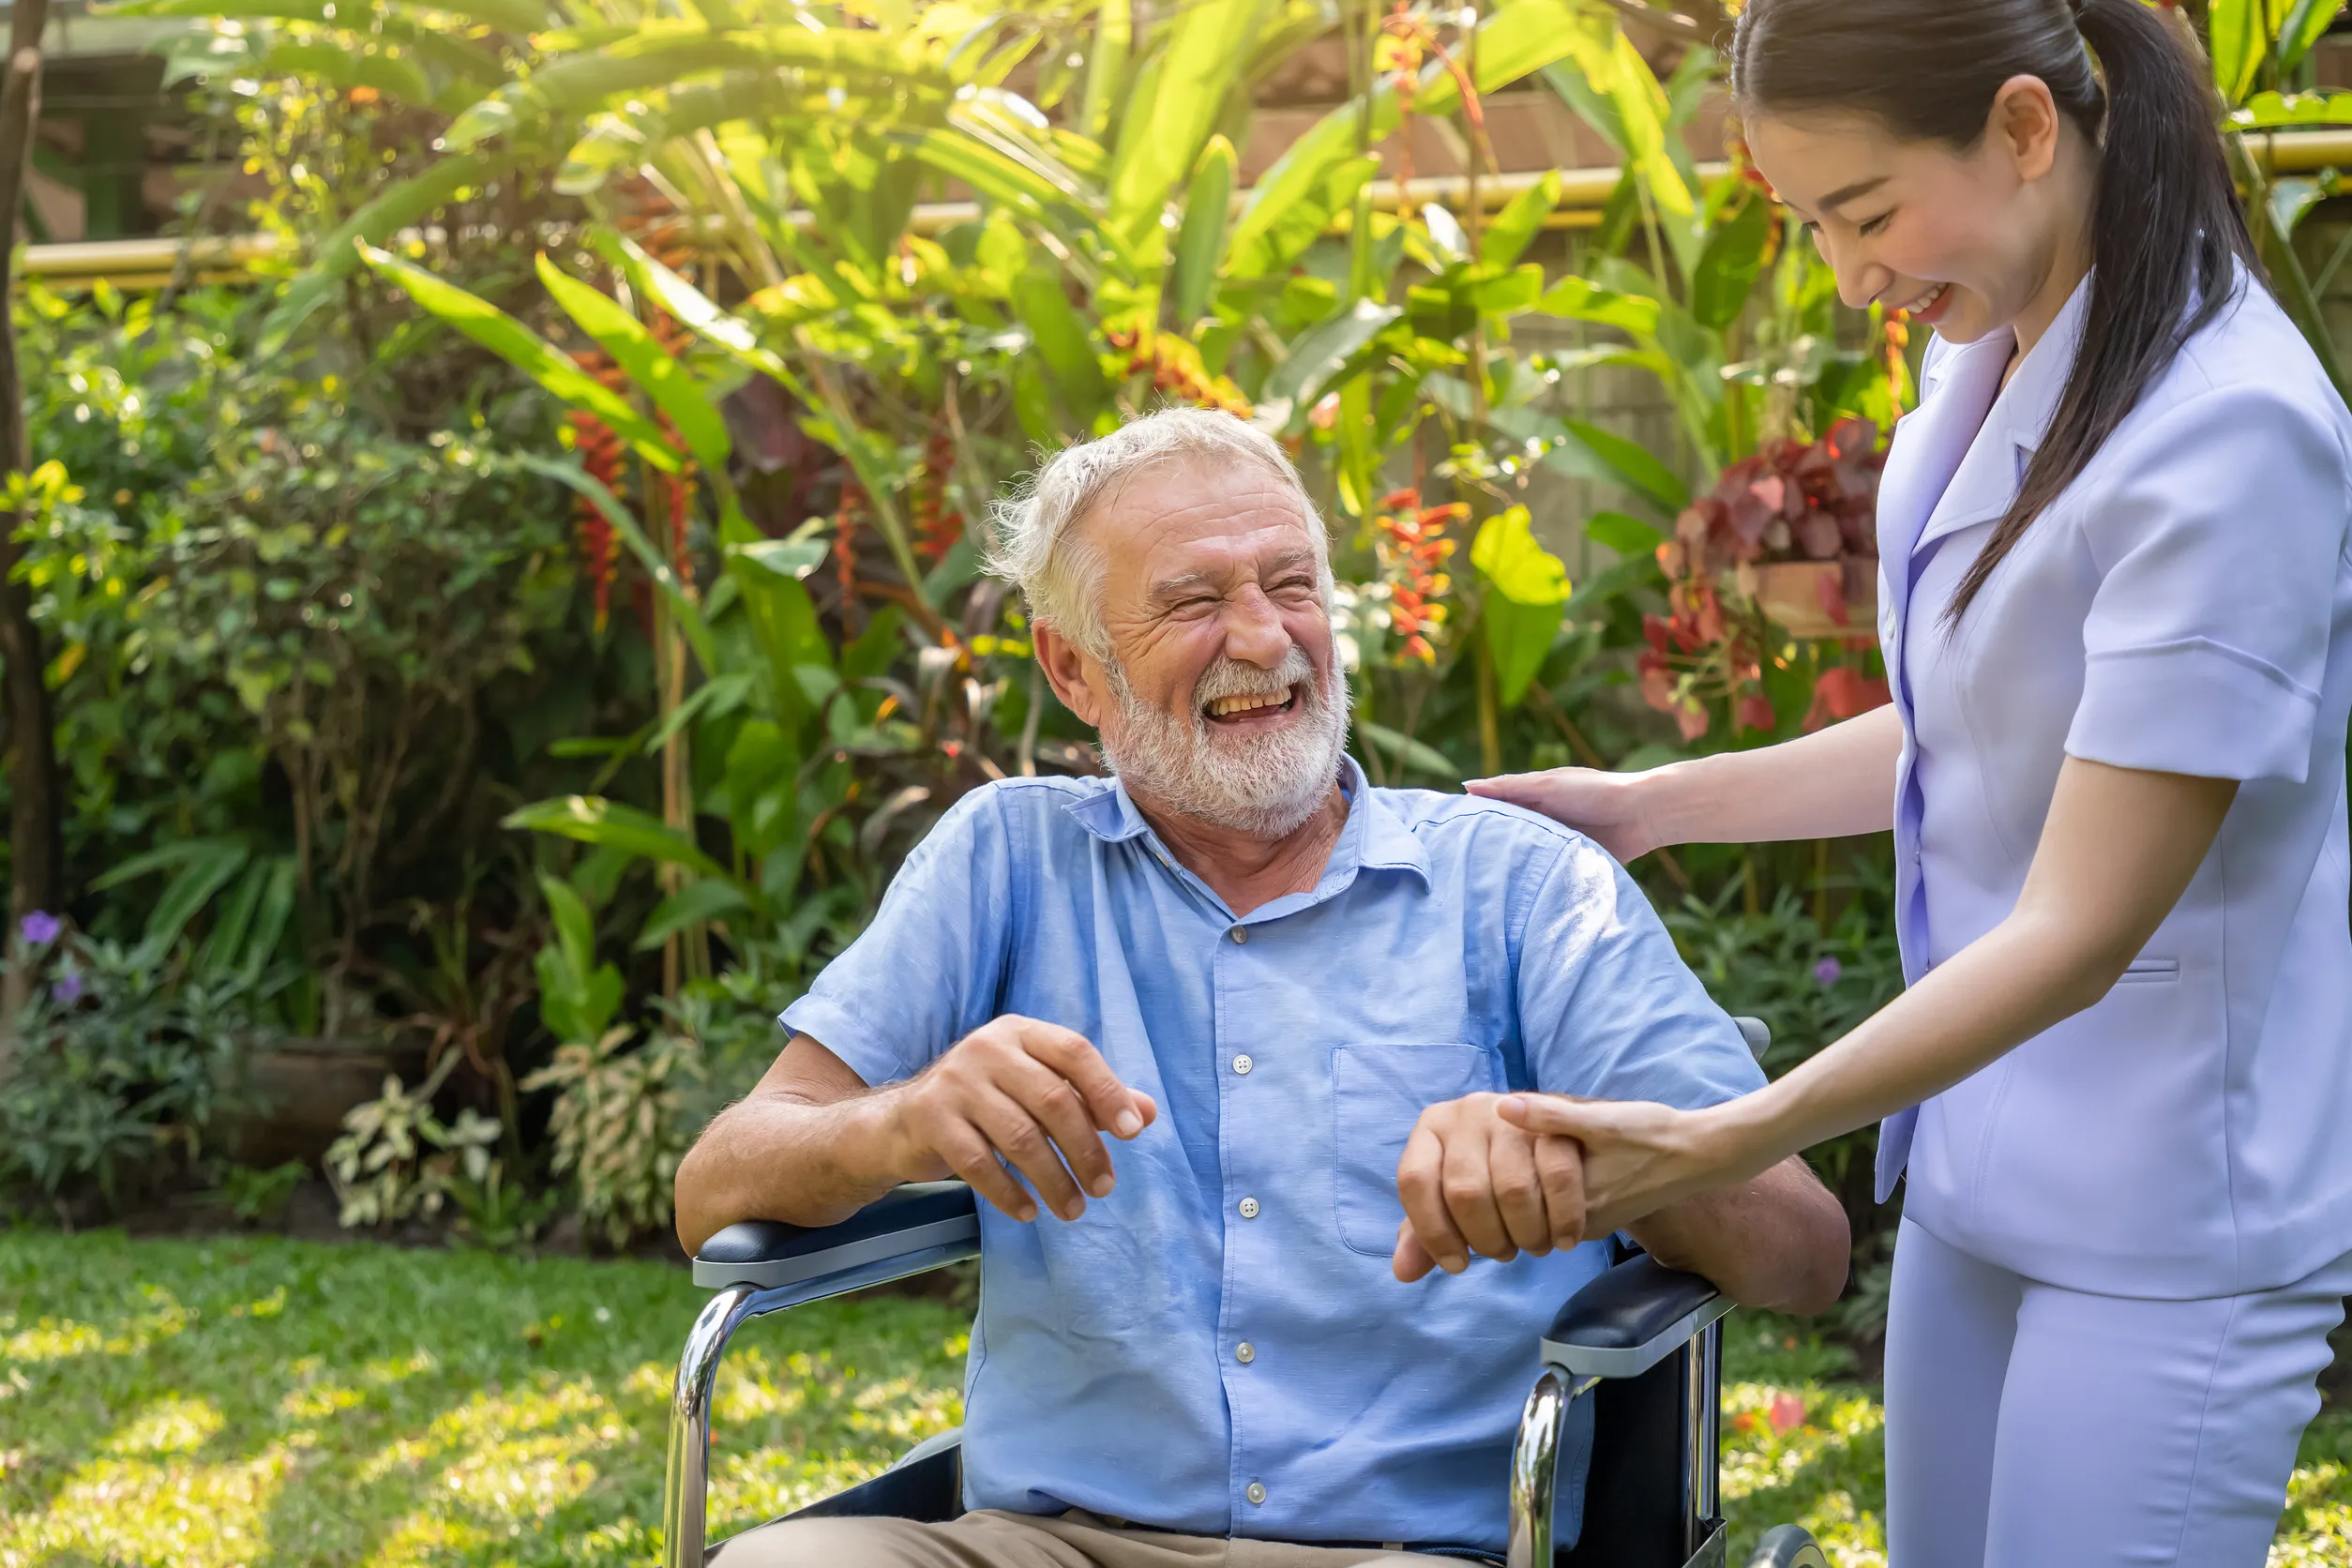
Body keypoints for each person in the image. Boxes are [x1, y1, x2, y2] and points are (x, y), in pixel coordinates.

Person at [1470, 3, 2352, 1564]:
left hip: (2163, 1224)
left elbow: (2080, 920)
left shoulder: (2233, 435)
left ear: (2024, 129)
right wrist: (1647, 800)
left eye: (1863, 211)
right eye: (1809, 223)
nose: (1846, 273)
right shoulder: (1993, 364)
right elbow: (1974, 728)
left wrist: (1733, 1135)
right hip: (1976, 1179)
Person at [672, 408, 1849, 1568]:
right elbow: (714, 1182)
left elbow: (1804, 1255)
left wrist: (1606, 1163)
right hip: (1047, 1538)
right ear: (1072, 667)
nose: (1262, 638)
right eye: (1193, 601)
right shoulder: (1002, 860)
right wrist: (899, 1120)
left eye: (1290, 584)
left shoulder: (1525, 885)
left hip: (1412, 1548)